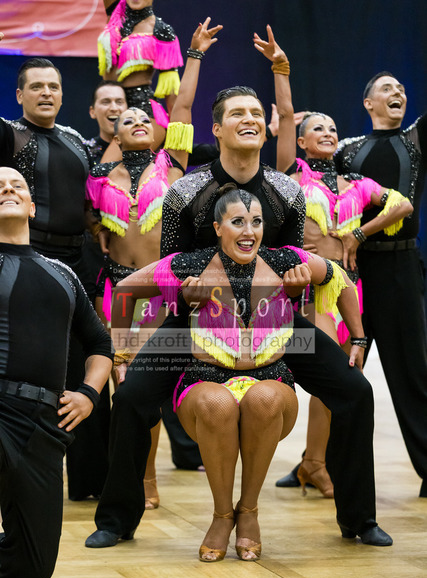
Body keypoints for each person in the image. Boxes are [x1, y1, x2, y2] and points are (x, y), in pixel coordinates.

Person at [85, 28, 392, 549]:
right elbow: (168, 270)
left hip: (275, 326)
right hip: (194, 323)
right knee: (133, 397)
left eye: (255, 113)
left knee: (356, 393)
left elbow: (294, 264)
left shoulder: (286, 191)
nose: (249, 119)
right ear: (217, 128)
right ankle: (116, 519)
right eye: (237, 114)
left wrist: (311, 298)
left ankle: (359, 518)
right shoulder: (186, 191)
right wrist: (137, 339)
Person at [110, 185, 367, 561]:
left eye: (256, 222)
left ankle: (248, 511)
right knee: (215, 404)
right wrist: (121, 353)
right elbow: (124, 290)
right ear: (217, 227)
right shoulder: (190, 265)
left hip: (270, 376)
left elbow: (338, 278)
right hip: (205, 378)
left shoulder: (285, 260)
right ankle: (221, 515)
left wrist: (358, 337)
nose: (249, 231)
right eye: (238, 222)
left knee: (265, 398)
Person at [86, 17, 221, 509]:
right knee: (121, 387)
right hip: (116, 292)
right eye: (127, 121)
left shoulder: (172, 165)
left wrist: (195, 55)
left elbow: (181, 105)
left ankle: (149, 478)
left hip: (160, 292)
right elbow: (89, 222)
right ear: (114, 133)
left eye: (145, 119)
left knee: (151, 386)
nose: (138, 122)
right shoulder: (100, 177)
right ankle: (127, 476)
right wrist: (98, 229)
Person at [276, 112, 413, 496]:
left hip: (349, 289)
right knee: (331, 372)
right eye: (317, 128)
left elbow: (402, 205)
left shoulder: (355, 183)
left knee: (344, 377)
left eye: (333, 128)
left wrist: (359, 233)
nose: (328, 133)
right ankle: (313, 462)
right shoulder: (293, 179)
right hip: (311, 288)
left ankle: (315, 462)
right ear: (301, 142)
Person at [0, 166, 113, 578]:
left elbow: (100, 344)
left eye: (17, 185)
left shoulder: (62, 273)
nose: (8, 189)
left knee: (34, 568)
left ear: (32, 207)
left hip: (44, 423)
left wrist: (88, 394)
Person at [334, 72, 427, 498]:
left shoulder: (416, 141)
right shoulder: (348, 149)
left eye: (401, 89)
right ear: (368, 103)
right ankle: (317, 462)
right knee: (340, 371)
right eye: (387, 89)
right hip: (352, 271)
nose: (398, 93)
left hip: (399, 269)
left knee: (412, 373)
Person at [98, 0, 183, 151]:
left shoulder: (162, 31)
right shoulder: (115, 13)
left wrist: (179, 137)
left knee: (107, 166)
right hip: (113, 110)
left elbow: (171, 91)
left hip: (144, 115)